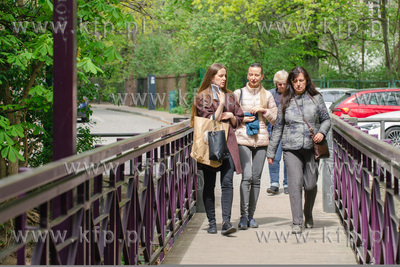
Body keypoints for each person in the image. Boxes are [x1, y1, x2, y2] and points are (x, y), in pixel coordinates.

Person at [266, 66, 331, 234]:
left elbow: (326, 120)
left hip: (311, 148)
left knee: (310, 185)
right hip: (291, 149)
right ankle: (297, 222)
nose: (299, 84)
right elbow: (278, 128)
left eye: (301, 80)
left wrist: (321, 132)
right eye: (295, 81)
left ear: (306, 81)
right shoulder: (285, 100)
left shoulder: (317, 98)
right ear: (291, 83)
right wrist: (271, 152)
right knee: (294, 185)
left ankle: (307, 213)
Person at [190, 63, 244, 235]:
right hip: (210, 145)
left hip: (228, 144)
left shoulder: (230, 96)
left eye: (225, 75)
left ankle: (226, 222)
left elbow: (240, 117)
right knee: (209, 184)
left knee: (227, 184)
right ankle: (212, 222)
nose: (224, 79)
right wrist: (220, 106)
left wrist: (232, 117)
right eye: (220, 76)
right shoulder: (202, 97)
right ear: (211, 77)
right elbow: (209, 119)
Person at [233, 63, 277, 230]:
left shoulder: (267, 95)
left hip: (261, 140)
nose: (253, 78)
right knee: (247, 176)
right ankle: (243, 216)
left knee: (257, 179)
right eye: (251, 74)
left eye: (257, 75)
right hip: (242, 138)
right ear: (247, 74)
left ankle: (251, 216)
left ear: (262, 76)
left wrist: (264, 111)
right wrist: (242, 119)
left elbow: (275, 118)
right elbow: (231, 116)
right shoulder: (238, 93)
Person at [267, 70, 289, 195]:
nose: (282, 86)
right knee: (274, 158)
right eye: (279, 84)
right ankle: (274, 183)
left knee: (288, 159)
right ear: (276, 84)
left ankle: (287, 183)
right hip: (274, 130)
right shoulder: (270, 94)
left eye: (284, 84)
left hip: (289, 131)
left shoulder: (292, 94)